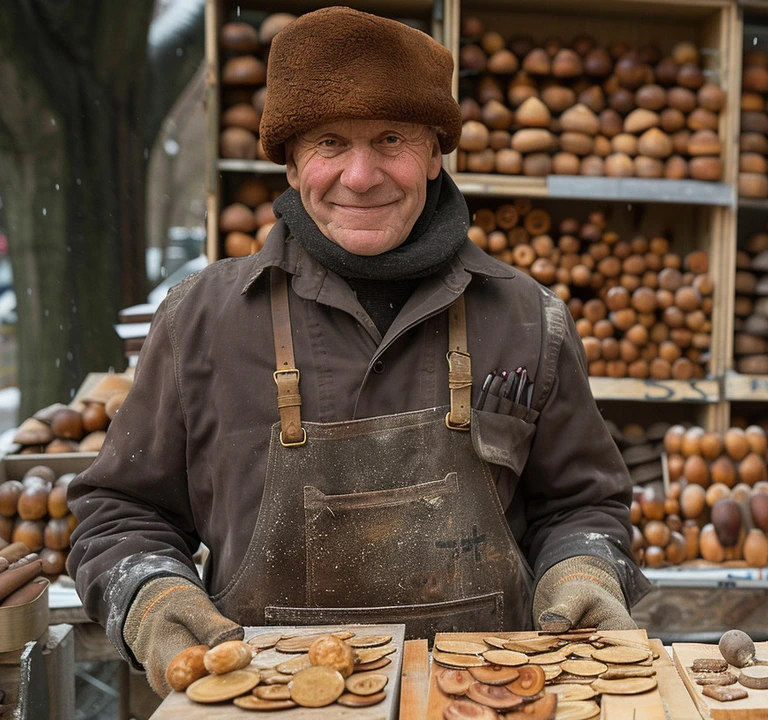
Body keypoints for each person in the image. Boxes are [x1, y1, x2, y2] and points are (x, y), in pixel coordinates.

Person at [67, 6, 646, 694]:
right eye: (330, 144)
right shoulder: (202, 321)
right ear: (290, 163)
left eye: (392, 139)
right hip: (265, 704)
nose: (362, 174)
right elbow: (122, 512)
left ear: (434, 153)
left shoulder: (527, 319)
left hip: (486, 700)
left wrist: (582, 570)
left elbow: (582, 506)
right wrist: (155, 599)